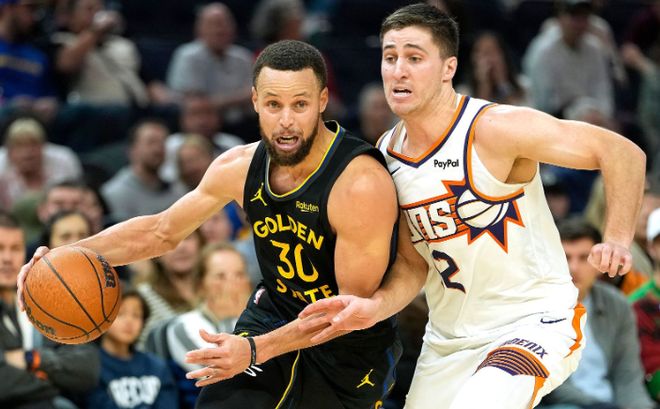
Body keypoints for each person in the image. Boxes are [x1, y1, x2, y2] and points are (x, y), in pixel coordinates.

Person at [19, 39, 401, 409]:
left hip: (346, 346)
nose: (286, 121)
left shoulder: (359, 184)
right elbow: (160, 232)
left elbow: (345, 312)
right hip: (274, 313)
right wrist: (62, 258)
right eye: (273, 104)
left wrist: (254, 349)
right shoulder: (238, 167)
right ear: (255, 101)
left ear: (322, 101)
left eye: (300, 104)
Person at [299, 4, 646, 409]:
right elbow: (412, 263)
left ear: (448, 68)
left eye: (414, 58)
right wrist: (374, 307)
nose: (398, 70)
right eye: (390, 57)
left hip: (530, 323)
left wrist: (617, 237)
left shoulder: (493, 128)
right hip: (447, 342)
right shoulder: (386, 154)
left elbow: (622, 153)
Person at [539, 219, 653, 409]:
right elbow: (548, 383)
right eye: (566, 257)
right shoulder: (537, 306)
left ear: (599, 265)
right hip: (564, 404)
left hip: (610, 403)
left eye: (584, 258)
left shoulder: (617, 304)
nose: (573, 267)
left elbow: (628, 376)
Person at [0, 210, 99, 409]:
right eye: (0, 249)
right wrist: (48, 385)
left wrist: (32, 359)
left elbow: (87, 369)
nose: (8, 258)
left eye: (16, 248)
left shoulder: (45, 301)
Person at [82, 288, 178, 409]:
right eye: (120, 314)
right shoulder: (90, 366)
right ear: (101, 318)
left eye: (136, 315)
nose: (129, 321)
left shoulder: (156, 366)